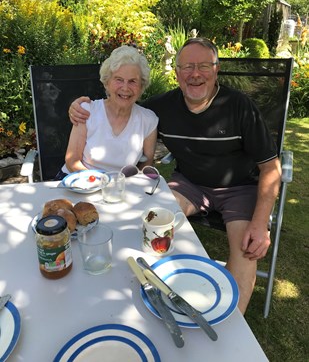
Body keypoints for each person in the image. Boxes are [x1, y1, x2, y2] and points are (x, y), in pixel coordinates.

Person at [68, 38, 281, 314]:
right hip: (189, 184)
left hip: (239, 189)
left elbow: (270, 167)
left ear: (216, 70)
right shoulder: (161, 108)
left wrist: (260, 223)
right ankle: (143, 297)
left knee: (245, 251)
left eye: (204, 66)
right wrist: (77, 106)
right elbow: (123, 101)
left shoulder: (241, 107)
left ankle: (227, 329)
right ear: (177, 73)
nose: (195, 74)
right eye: (187, 67)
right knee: (149, 221)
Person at [57, 45, 158, 179]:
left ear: (141, 86)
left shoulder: (148, 120)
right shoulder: (87, 111)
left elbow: (146, 163)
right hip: (78, 181)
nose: (125, 88)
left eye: (133, 81)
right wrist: (101, 183)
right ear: (107, 82)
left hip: (119, 188)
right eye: (119, 80)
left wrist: (131, 185)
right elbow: (72, 161)